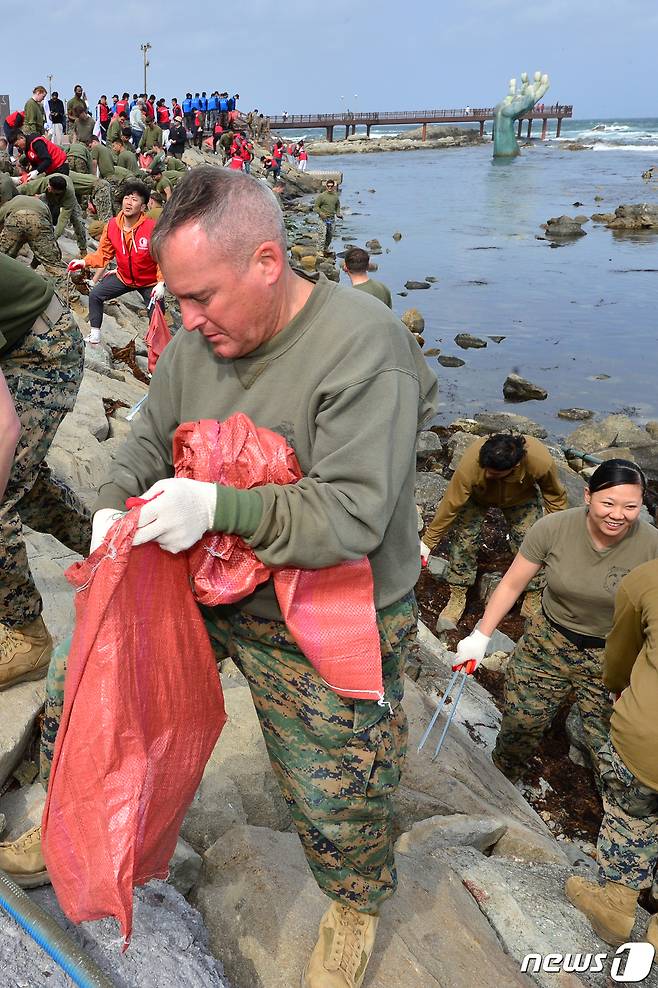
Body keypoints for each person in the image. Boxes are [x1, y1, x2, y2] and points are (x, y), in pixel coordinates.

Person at [37, 166, 437, 986]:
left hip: (326, 601)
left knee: (340, 784)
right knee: (80, 687)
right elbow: (148, 436)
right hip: (203, 580)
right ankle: (79, 832)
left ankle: (355, 900)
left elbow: (354, 515)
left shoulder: (366, 348)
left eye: (202, 298)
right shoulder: (193, 343)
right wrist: (113, 504)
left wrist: (220, 507)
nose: (185, 321)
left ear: (267, 261)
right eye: (177, 300)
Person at [455, 459, 658, 784]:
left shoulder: (651, 546)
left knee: (610, 744)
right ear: (588, 496)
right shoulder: (553, 529)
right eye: (608, 503)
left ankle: (613, 813)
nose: (617, 515)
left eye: (630, 506)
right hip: (548, 641)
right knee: (519, 724)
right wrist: (480, 635)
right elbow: (511, 584)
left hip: (612, 655)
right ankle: (502, 790)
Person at [0, 253, 85, 694]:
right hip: (14, 340)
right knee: (23, 486)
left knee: (2, 492)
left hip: (43, 353)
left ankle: (26, 634)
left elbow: (4, 427)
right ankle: (105, 546)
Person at [565, 559, 658, 951]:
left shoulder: (647, 579)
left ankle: (617, 906)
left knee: (631, 814)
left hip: (646, 740)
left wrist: (616, 687)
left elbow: (619, 657)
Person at [422, 433, 567, 628]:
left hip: (520, 497)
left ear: (515, 466)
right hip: (477, 496)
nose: (488, 474)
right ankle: (458, 595)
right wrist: (428, 542)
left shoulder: (539, 460)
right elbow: (451, 503)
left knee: (532, 540)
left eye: (495, 473)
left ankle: (532, 594)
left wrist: (556, 535)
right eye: (486, 470)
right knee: (464, 539)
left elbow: (554, 497)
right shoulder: (472, 465)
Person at [67, 180, 164, 345]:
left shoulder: (151, 228)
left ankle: (157, 362)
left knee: (157, 318)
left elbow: (162, 257)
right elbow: (103, 254)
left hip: (149, 281)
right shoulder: (112, 225)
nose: (129, 202)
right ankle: (95, 334)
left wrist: (161, 283)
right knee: (96, 295)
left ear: (143, 207)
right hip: (124, 277)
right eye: (127, 198)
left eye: (134, 199)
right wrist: (83, 263)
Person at [314, 178, 342, 251]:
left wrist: (338, 213)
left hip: (331, 218)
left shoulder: (335, 196)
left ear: (333, 187)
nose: (330, 187)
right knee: (322, 235)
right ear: (326, 186)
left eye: (331, 186)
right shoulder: (322, 196)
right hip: (322, 218)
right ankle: (319, 251)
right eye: (328, 186)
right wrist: (321, 213)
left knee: (329, 235)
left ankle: (325, 248)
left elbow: (337, 205)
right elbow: (316, 207)